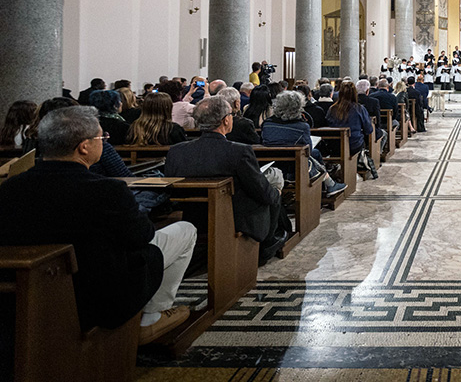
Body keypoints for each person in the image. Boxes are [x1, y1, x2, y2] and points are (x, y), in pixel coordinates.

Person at [0, 106, 197, 342]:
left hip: (24, 297)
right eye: (102, 138)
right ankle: (151, 318)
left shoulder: (9, 189)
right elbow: (142, 235)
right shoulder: (107, 190)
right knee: (182, 232)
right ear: (84, 146)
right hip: (99, 298)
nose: (104, 143)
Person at [163, 97, 309, 266]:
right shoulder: (239, 152)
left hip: (193, 217)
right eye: (231, 115)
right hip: (236, 218)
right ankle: (267, 244)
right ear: (226, 120)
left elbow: (172, 189)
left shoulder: (177, 151)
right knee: (272, 191)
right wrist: (276, 192)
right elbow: (261, 191)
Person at [325, 81, 376, 174]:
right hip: (353, 144)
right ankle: (360, 162)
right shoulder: (359, 108)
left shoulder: (332, 109)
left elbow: (328, 124)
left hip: (334, 144)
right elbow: (369, 129)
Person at [356, 79, 386, 153]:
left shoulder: (353, 101)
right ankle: (378, 153)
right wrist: (378, 128)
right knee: (384, 133)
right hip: (369, 130)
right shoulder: (374, 101)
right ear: (367, 91)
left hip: (356, 131)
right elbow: (377, 118)